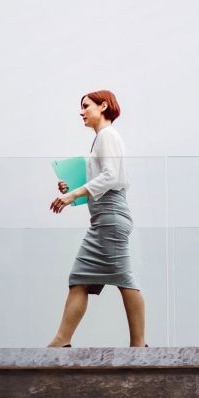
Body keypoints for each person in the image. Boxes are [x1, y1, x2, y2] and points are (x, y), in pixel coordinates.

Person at [48, 90, 146, 348]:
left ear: (103, 106)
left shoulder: (107, 136)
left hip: (110, 216)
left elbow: (111, 177)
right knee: (81, 278)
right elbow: (102, 180)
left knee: (123, 277)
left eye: (85, 106)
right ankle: (63, 341)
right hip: (105, 217)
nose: (81, 112)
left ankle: (138, 345)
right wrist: (72, 189)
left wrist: (74, 195)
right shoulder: (102, 140)